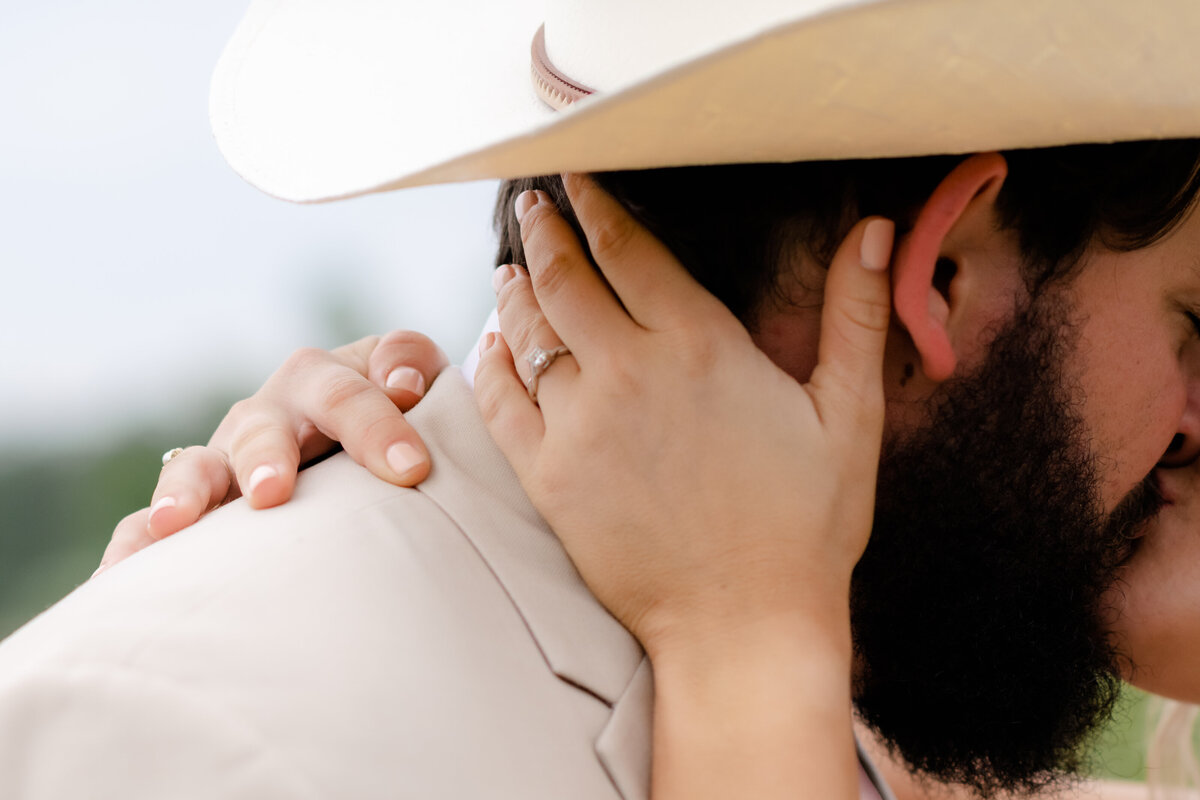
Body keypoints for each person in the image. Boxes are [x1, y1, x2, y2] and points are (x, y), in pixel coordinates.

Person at [6, 0, 1200, 797]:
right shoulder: (178, 739)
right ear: (940, 275)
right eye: (1192, 323)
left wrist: (750, 643)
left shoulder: (877, 666)